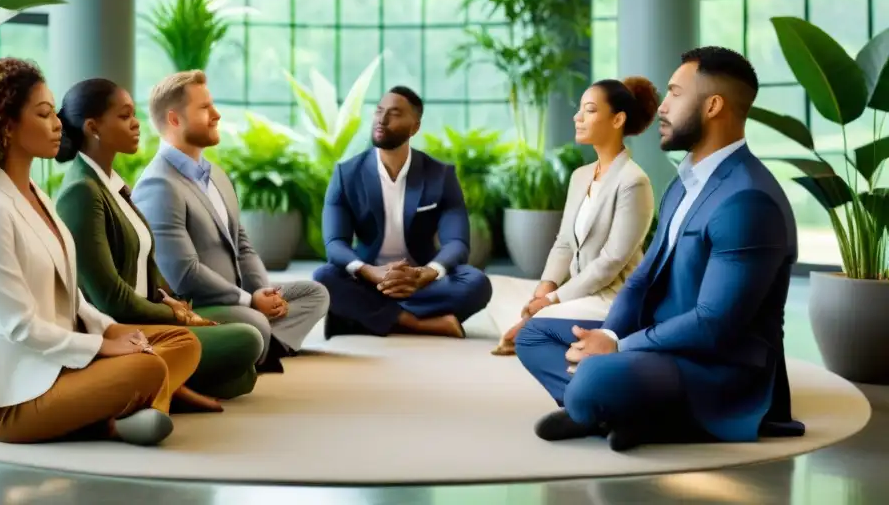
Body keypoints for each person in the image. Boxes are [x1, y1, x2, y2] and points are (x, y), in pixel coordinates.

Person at [514, 47, 804, 451]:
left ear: (713, 106)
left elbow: (713, 325)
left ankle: (610, 405)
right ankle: (627, 413)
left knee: (598, 377)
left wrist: (616, 346)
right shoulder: (684, 182)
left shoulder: (749, 199)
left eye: (675, 94)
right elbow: (644, 276)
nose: (662, 107)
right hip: (655, 343)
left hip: (714, 365)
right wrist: (611, 332)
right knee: (533, 335)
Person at [0, 58, 201, 446]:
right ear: (5, 125)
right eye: (43, 114)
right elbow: (19, 326)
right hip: (14, 397)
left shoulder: (38, 196)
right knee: (148, 368)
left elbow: (72, 299)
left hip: (65, 363)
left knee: (181, 342)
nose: (57, 123)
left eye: (55, 112)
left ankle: (128, 406)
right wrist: (104, 347)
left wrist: (113, 329)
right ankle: (128, 410)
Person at [54, 78, 264, 406]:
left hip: (150, 315)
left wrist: (174, 301)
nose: (137, 123)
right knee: (247, 339)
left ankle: (163, 382)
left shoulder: (113, 184)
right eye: (124, 117)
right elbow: (111, 298)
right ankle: (147, 382)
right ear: (93, 127)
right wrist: (174, 317)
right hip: (123, 330)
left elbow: (145, 262)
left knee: (243, 372)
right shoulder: (82, 192)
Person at [131, 70, 329, 373]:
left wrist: (266, 295)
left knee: (315, 294)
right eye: (204, 108)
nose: (216, 114)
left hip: (242, 298)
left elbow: (243, 246)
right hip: (199, 306)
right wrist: (250, 302)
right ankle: (259, 341)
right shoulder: (159, 185)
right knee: (254, 323)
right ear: (174, 120)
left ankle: (258, 345)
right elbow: (184, 274)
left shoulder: (217, 176)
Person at [488, 77, 659, 356]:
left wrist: (552, 301)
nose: (577, 117)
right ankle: (554, 335)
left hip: (612, 299)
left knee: (533, 331)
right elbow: (564, 243)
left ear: (617, 120)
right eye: (580, 109)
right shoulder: (581, 176)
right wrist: (543, 291)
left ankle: (586, 374)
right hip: (581, 293)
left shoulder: (633, 181)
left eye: (589, 110)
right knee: (501, 303)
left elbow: (611, 261)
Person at [313, 86, 493, 338]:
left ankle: (362, 318)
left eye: (395, 113)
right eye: (379, 111)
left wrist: (426, 273)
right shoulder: (346, 175)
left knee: (476, 283)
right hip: (369, 279)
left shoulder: (440, 175)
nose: (382, 120)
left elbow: (457, 243)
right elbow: (334, 243)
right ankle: (417, 322)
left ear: (415, 127)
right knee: (324, 276)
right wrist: (370, 272)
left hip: (419, 281)